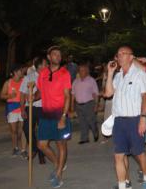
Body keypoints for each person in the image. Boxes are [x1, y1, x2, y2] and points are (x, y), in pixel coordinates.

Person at [104, 46, 146, 189]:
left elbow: (145, 97)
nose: (119, 56)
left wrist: (143, 118)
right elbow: (107, 94)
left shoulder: (139, 74)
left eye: (123, 54)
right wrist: (110, 72)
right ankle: (123, 185)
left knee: (139, 153)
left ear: (131, 57)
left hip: (135, 119)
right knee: (119, 155)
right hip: (119, 121)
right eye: (118, 54)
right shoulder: (118, 76)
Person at [37, 46, 72, 188]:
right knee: (42, 145)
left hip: (59, 114)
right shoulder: (43, 73)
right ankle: (59, 164)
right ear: (49, 57)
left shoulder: (65, 73)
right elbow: (40, 92)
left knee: (60, 144)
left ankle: (58, 175)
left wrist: (64, 116)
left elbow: (67, 96)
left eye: (59, 54)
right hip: (45, 114)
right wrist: (31, 96)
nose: (57, 56)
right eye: (54, 54)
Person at [20, 56, 47, 164]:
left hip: (43, 107)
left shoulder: (48, 76)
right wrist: (22, 109)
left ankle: (41, 153)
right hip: (30, 107)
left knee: (42, 131)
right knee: (26, 128)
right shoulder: (29, 77)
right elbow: (22, 93)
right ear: (40, 66)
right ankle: (35, 147)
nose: (47, 66)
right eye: (45, 64)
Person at [0, 64, 25, 157]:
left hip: (22, 108)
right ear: (15, 72)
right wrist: (10, 96)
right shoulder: (8, 83)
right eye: (20, 71)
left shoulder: (24, 81)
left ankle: (23, 150)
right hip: (12, 108)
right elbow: (2, 95)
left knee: (22, 130)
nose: (22, 72)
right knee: (13, 131)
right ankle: (15, 148)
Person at [72, 63, 99, 144]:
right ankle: (84, 138)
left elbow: (95, 94)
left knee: (91, 121)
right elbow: (73, 95)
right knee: (82, 122)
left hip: (89, 104)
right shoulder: (75, 81)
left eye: (83, 70)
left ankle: (95, 132)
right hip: (78, 105)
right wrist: (72, 107)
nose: (81, 72)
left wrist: (96, 105)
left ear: (87, 71)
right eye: (80, 71)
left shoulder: (91, 80)